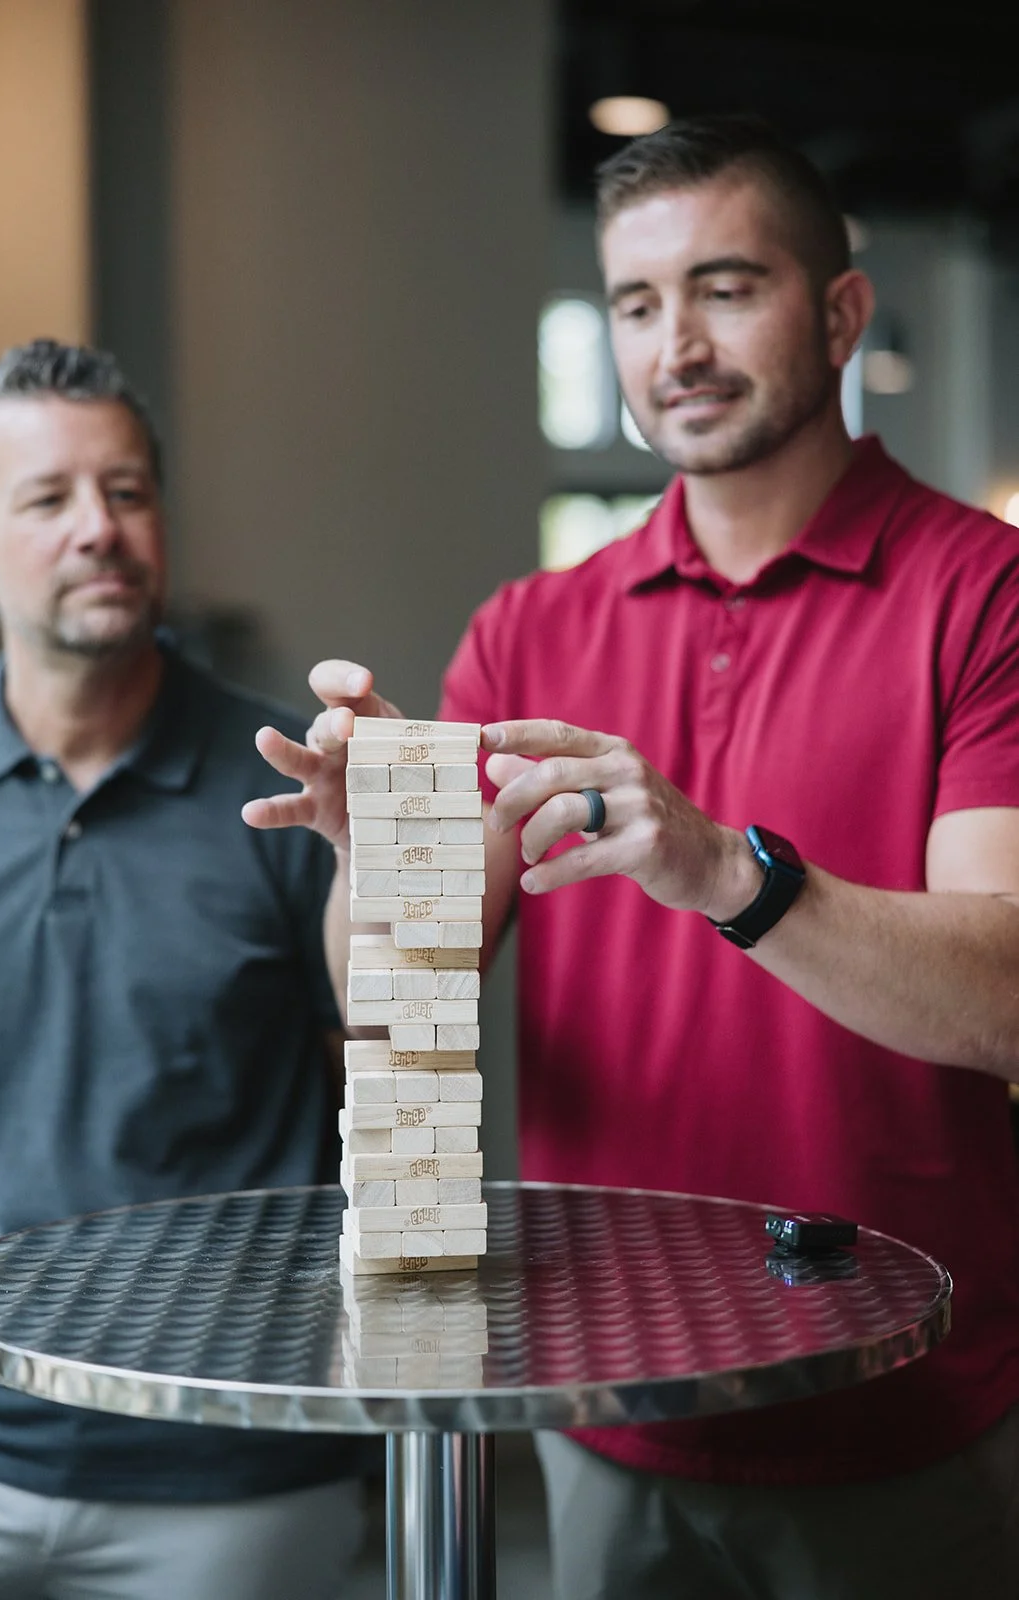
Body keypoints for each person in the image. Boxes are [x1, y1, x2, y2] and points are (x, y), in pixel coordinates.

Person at [245, 114, 1019, 1598]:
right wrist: (376, 861)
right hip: (607, 1405)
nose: (678, 343)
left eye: (727, 288)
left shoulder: (978, 596)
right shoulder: (526, 629)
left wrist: (731, 871)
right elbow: (397, 1001)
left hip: (906, 1406)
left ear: (840, 311)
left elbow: (1001, 996)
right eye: (636, 302)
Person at [0, 339, 367, 1600]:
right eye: (50, 497)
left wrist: (373, 856)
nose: (101, 529)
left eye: (128, 492)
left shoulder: (287, 789)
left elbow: (389, 1043)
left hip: (234, 1473)